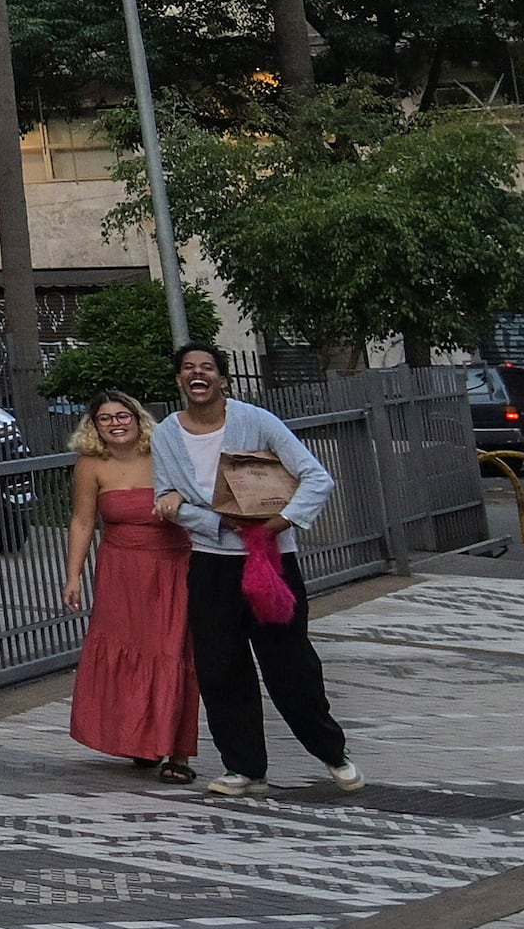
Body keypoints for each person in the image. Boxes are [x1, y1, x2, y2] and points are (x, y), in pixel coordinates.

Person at [151, 339, 359, 799]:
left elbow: (316, 478)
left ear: (223, 378)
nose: (197, 374)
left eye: (207, 367)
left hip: (272, 562)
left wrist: (279, 522)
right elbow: (166, 500)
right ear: (180, 379)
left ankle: (333, 754)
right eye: (188, 368)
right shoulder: (166, 433)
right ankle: (244, 769)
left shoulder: (256, 420)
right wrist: (217, 521)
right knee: (221, 670)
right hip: (211, 566)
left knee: (291, 668)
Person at [59, 389, 194, 783]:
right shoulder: (90, 466)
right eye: (106, 418)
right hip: (121, 572)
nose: (116, 424)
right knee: (131, 652)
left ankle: (179, 753)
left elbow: (201, 495)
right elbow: (82, 522)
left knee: (173, 654)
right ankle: (141, 738)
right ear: (94, 426)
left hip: (172, 567)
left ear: (138, 419)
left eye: (123, 416)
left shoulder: (165, 455)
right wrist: (73, 576)